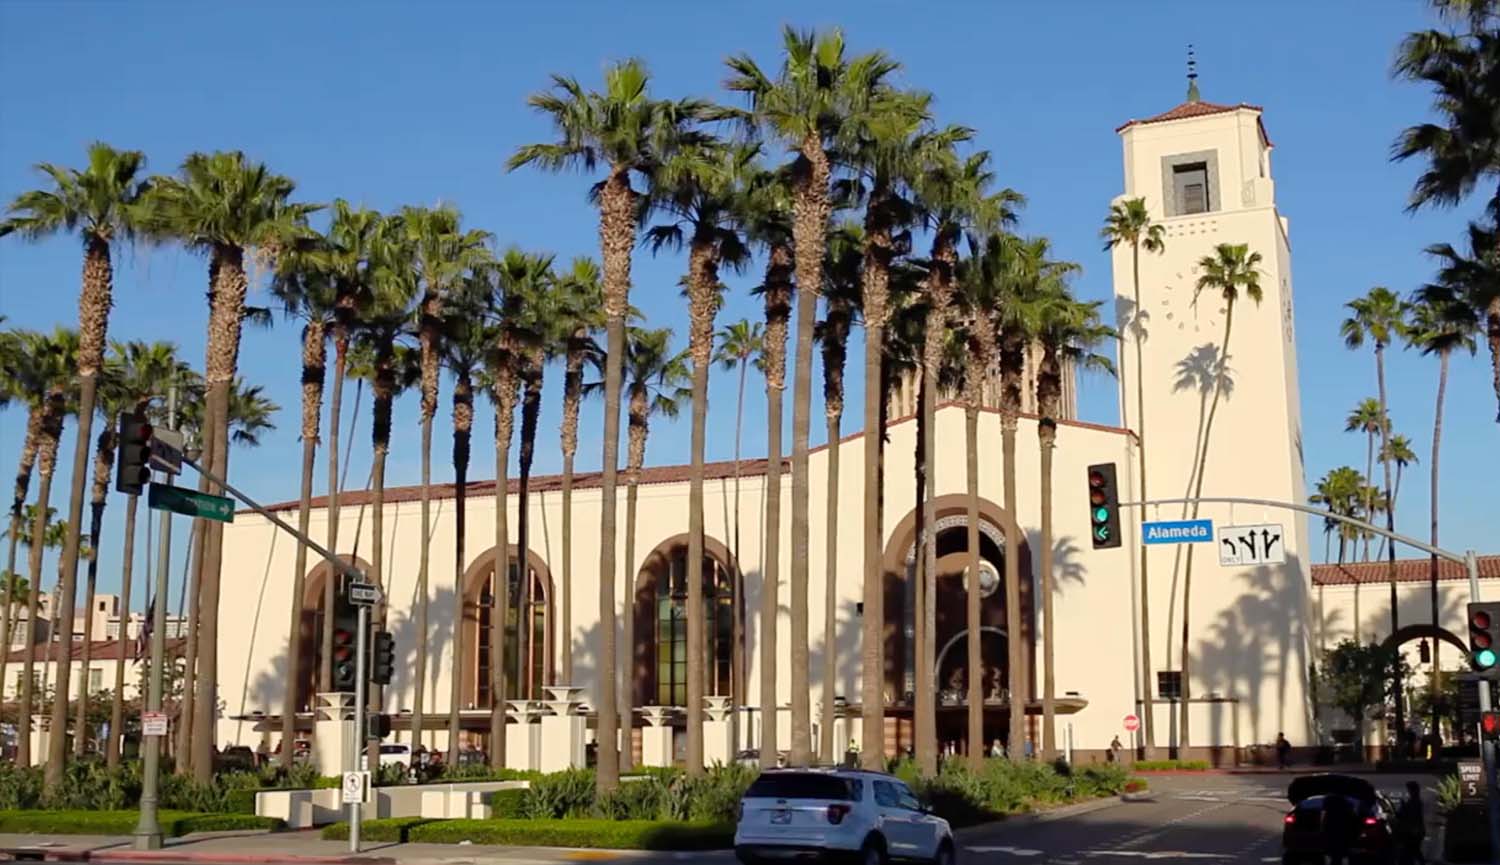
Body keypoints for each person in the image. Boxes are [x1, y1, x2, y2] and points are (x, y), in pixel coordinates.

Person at [1395, 780, 1427, 865]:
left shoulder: (1414, 802)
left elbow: (1408, 816)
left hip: (1413, 831)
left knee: (1412, 850)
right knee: (1413, 851)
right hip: (1415, 830)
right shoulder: (1415, 801)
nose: (1409, 791)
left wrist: (1403, 807)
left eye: (1409, 789)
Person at [1322, 793, 1356, 865]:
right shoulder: (1347, 802)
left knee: (1332, 852)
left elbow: (1323, 816)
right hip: (1342, 830)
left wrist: (1322, 827)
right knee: (1342, 852)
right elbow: (1352, 817)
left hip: (1331, 829)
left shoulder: (1328, 800)